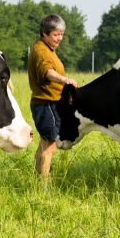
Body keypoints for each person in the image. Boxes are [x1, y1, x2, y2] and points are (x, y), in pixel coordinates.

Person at [28, 14, 78, 177]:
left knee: (46, 143)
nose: (60, 38)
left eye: (61, 34)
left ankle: (38, 182)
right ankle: (42, 188)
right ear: (44, 33)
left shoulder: (48, 49)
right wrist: (64, 80)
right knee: (49, 144)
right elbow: (47, 71)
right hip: (46, 103)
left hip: (50, 103)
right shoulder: (41, 50)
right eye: (56, 34)